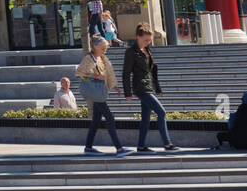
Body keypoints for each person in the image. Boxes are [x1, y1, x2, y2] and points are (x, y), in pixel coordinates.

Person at [123, 22, 178, 152]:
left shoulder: (147, 50)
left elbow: (152, 70)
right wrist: (127, 93)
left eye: (149, 40)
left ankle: (141, 145)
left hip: (149, 86)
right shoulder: (131, 52)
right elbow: (126, 73)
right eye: (146, 40)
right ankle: (167, 144)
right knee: (161, 112)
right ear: (138, 37)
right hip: (140, 87)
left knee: (146, 118)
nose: (148, 42)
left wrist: (157, 88)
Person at [76, 37, 132, 155]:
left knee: (96, 121)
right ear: (95, 47)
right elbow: (80, 74)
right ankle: (119, 148)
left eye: (106, 47)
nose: (105, 49)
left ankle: (88, 147)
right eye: (103, 47)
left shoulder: (102, 58)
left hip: (99, 91)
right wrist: (95, 77)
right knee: (109, 118)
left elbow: (108, 74)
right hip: (95, 91)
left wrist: (114, 86)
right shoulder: (88, 59)